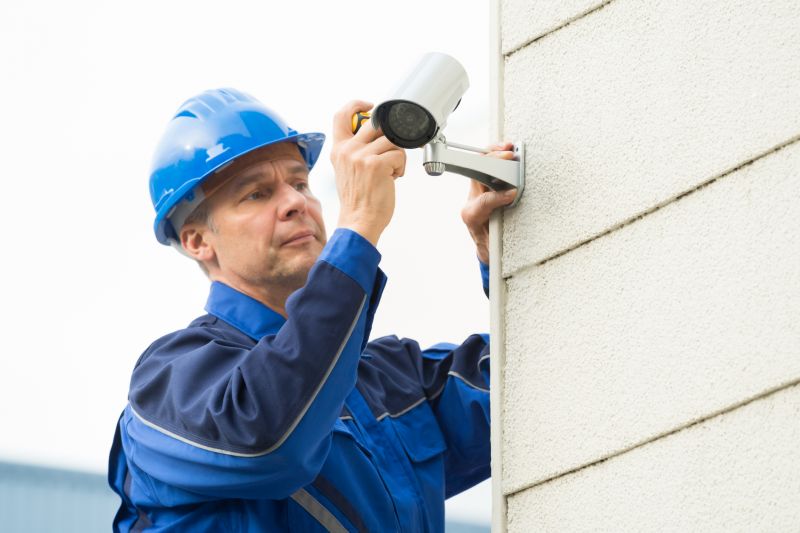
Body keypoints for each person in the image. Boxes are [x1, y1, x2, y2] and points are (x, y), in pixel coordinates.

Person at [108, 88, 516, 532]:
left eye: (300, 183)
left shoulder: (391, 381)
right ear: (197, 240)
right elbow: (270, 441)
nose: (296, 202)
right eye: (257, 194)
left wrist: (499, 258)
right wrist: (358, 224)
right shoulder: (169, 389)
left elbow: (545, 391)